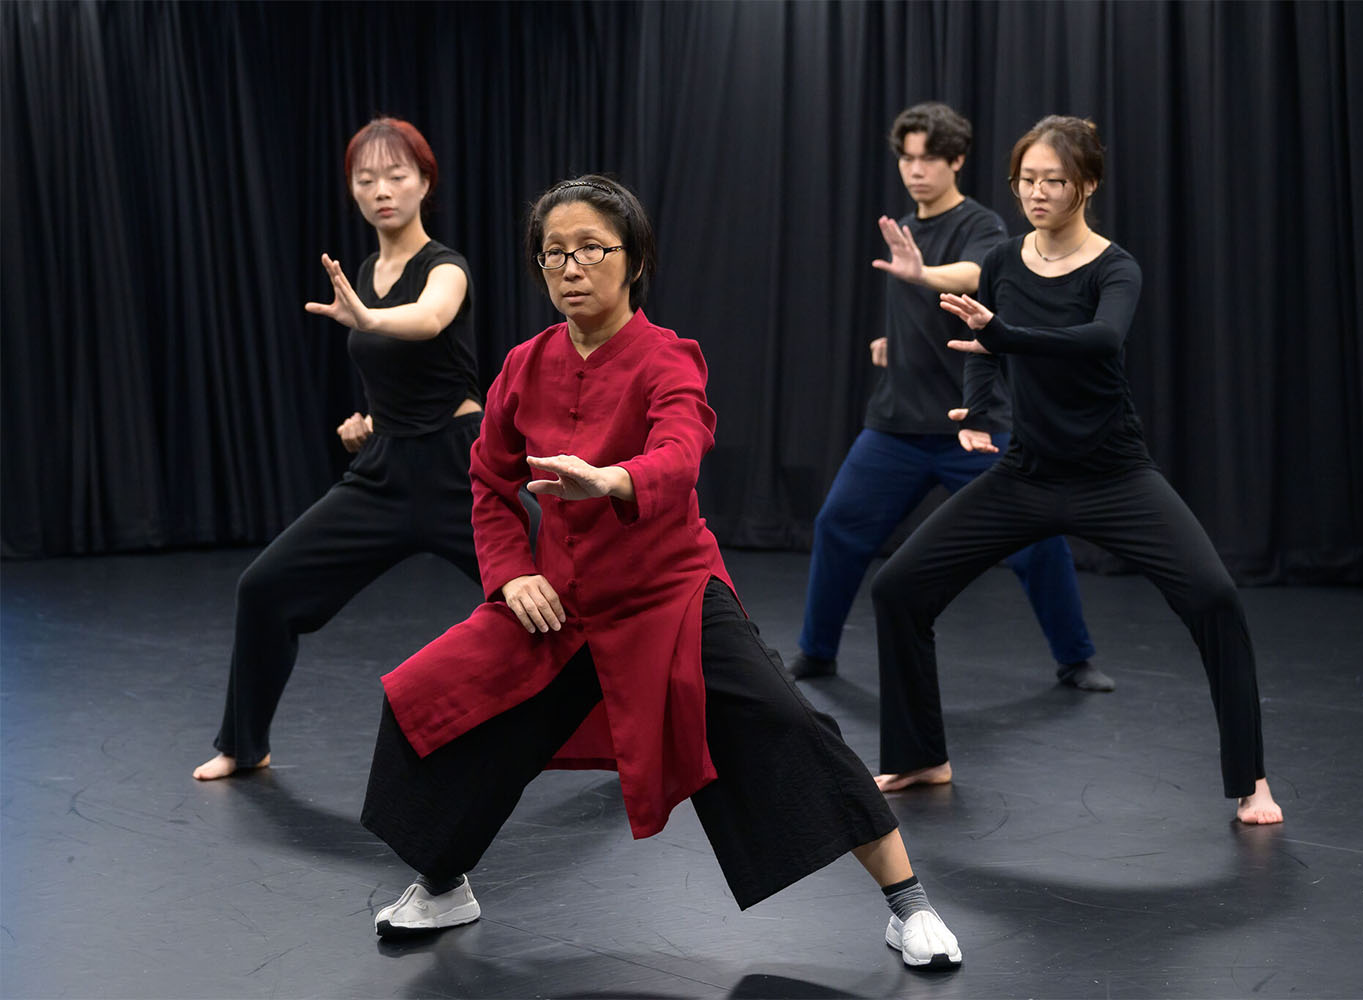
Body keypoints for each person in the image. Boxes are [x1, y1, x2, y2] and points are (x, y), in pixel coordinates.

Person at [358, 176, 963, 968]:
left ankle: (907, 903)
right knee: (445, 697)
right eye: (553, 255)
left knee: (783, 720)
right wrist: (510, 574)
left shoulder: (665, 357)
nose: (571, 269)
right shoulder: (523, 366)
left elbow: (681, 450)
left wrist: (613, 480)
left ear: (634, 258)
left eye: (590, 250)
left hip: (670, 594)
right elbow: (489, 481)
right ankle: (444, 883)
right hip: (562, 601)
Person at [870, 116, 1283, 825]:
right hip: (1026, 475)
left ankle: (1253, 783)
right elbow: (983, 340)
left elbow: (1100, 340)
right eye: (1026, 180)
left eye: (1052, 181)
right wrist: (978, 406)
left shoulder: (1114, 266)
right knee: (899, 587)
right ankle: (920, 755)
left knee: (1215, 599)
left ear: (1085, 185)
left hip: (1114, 477)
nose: (1036, 192)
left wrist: (1003, 334)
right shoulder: (1003, 260)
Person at [788, 102, 1111, 698]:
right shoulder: (903, 229)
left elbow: (975, 272)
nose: (915, 171)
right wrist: (894, 339)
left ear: (956, 160)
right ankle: (816, 650)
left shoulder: (980, 224)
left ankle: (1076, 659)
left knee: (1038, 539)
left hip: (975, 427)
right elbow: (920, 309)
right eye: (907, 159)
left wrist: (922, 275)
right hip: (895, 427)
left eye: (929, 159)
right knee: (838, 525)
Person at [193, 118, 482, 780]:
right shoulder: (362, 272)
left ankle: (641, 731)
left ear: (424, 183)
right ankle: (244, 744)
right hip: (384, 473)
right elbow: (397, 379)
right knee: (263, 588)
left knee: (566, 595)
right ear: (352, 191)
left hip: (461, 470)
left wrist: (374, 318)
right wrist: (370, 420)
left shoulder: (446, 266)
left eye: (397, 175)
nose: (382, 189)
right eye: (366, 178)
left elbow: (433, 318)